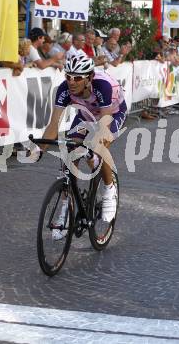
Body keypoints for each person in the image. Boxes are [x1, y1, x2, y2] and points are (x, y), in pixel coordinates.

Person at [40, 56, 127, 238]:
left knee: (98, 147)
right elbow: (54, 124)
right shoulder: (64, 89)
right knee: (69, 150)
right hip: (86, 115)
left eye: (78, 78)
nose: (72, 82)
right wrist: (38, 149)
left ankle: (109, 190)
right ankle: (65, 210)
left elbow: (103, 124)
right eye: (69, 76)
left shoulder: (102, 86)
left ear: (89, 78)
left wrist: (93, 147)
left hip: (111, 113)